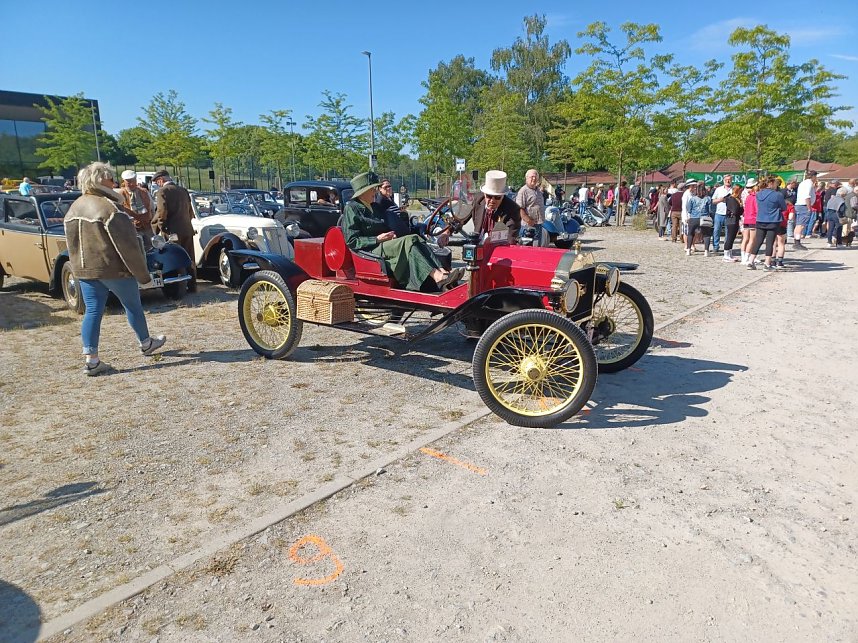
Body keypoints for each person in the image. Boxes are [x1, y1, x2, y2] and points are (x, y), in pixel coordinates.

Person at [62, 162, 166, 376]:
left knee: (92, 311)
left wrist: (79, 268)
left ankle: (91, 359)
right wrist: (142, 273)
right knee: (133, 306)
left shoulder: (74, 207)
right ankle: (146, 342)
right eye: (111, 179)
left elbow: (71, 244)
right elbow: (127, 245)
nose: (114, 182)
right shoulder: (108, 208)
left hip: (86, 270)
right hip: (114, 269)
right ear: (101, 181)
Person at [341, 171, 462, 292]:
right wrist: (377, 239)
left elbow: (387, 224)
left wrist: (391, 235)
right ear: (363, 192)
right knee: (409, 240)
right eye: (372, 189)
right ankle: (438, 276)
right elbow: (352, 240)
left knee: (415, 239)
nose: (375, 192)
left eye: (375, 188)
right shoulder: (352, 208)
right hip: (370, 249)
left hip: (385, 244)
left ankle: (443, 272)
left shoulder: (375, 207)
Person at [150, 170, 197, 292]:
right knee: (189, 257)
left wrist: (161, 226)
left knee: (174, 258)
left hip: (172, 230)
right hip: (187, 229)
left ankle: (177, 287)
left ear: (161, 180)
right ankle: (192, 285)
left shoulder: (163, 191)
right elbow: (190, 211)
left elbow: (161, 211)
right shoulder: (183, 190)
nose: (157, 184)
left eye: (157, 182)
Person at [746, 177, 786, 271]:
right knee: (770, 243)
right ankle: (767, 264)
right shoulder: (777, 195)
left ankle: (750, 261)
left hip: (760, 219)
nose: (776, 185)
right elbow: (784, 207)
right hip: (773, 220)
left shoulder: (758, 194)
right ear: (771, 183)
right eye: (775, 183)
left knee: (758, 241)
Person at [118, 170, 154, 246]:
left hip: (147, 227)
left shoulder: (144, 191)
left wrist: (152, 220)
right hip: (132, 229)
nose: (131, 184)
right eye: (128, 182)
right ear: (124, 181)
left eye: (133, 181)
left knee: (151, 247)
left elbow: (152, 207)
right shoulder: (120, 194)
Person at [516, 169, 545, 247]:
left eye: (536, 177)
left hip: (538, 224)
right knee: (526, 249)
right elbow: (520, 208)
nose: (534, 179)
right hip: (527, 226)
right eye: (532, 177)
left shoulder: (538, 191)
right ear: (526, 178)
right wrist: (529, 221)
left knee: (537, 248)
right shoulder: (523, 191)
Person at [685, 183, 713, 256]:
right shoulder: (708, 198)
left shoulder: (692, 199)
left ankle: (688, 249)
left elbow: (688, 209)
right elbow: (710, 210)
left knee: (690, 234)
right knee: (706, 235)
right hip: (704, 218)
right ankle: (706, 251)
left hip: (694, 218)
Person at [793, 170, 816, 250]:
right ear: (813, 176)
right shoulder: (809, 183)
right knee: (801, 225)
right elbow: (807, 196)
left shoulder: (803, 183)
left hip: (799, 204)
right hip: (804, 205)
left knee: (798, 224)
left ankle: (796, 241)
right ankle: (797, 242)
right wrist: (809, 208)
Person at [711, 174, 733, 253]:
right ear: (723, 180)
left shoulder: (733, 190)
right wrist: (720, 200)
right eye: (726, 180)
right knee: (716, 231)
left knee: (728, 232)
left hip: (730, 214)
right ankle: (715, 246)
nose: (728, 181)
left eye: (729, 179)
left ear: (731, 180)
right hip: (719, 213)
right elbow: (713, 201)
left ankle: (726, 247)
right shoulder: (719, 189)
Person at [722, 184, 743, 262]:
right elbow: (735, 210)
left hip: (735, 219)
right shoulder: (731, 199)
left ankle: (730, 254)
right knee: (729, 237)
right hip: (731, 220)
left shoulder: (737, 199)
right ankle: (726, 255)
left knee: (733, 237)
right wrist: (741, 206)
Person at [741, 179, 759, 264]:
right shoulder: (755, 197)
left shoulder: (748, 196)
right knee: (752, 240)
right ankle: (747, 258)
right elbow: (757, 209)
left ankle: (743, 257)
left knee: (745, 239)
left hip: (746, 219)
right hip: (753, 219)